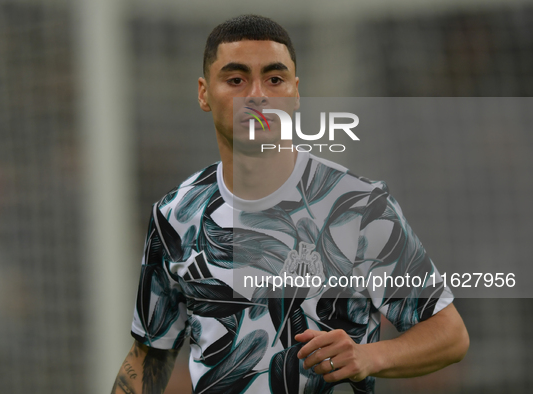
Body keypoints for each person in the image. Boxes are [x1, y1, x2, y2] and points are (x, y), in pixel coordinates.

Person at [111, 14, 469, 394]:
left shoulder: (358, 207)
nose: (256, 94)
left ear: (296, 93)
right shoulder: (174, 217)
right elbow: (150, 355)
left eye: (274, 79)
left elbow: (449, 335)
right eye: (236, 80)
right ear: (203, 93)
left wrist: (369, 356)